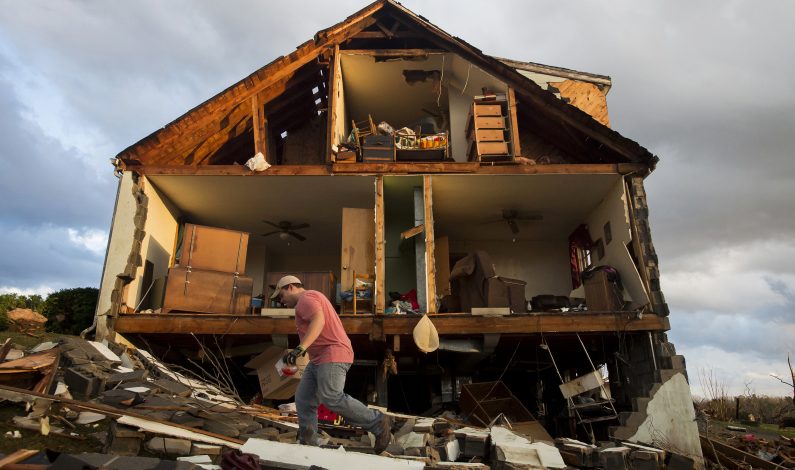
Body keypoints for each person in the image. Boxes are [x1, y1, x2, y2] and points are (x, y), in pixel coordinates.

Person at [270, 275, 392, 451]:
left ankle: (377, 422)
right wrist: (300, 353)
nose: (281, 301)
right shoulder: (309, 300)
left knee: (331, 396)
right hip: (319, 358)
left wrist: (300, 348)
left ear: (290, 287)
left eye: (281, 296)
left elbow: (319, 321)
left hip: (332, 352)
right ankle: (307, 443)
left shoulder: (306, 298)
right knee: (304, 399)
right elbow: (316, 330)